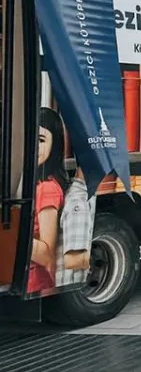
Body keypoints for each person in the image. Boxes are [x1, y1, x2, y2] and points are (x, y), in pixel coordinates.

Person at [28, 108, 69, 294]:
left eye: (41, 140)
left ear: (55, 146)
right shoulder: (32, 182)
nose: (33, 146)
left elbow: (47, 255)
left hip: (33, 280)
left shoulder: (47, 189)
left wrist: (13, 238)